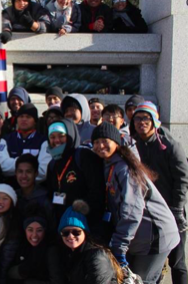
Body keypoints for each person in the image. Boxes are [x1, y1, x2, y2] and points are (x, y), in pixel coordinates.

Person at [92, 122, 180, 284]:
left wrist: (119, 244)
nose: (100, 145)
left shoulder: (123, 169)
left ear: (116, 142)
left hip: (155, 235)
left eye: (105, 140)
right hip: (138, 238)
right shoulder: (110, 164)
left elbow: (132, 210)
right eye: (96, 142)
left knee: (141, 281)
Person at [130, 102, 188, 284]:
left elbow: (183, 179)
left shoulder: (170, 146)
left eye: (146, 118)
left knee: (177, 261)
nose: (141, 122)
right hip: (146, 213)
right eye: (137, 118)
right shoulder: (132, 144)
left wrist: (178, 209)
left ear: (155, 121)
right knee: (151, 261)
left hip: (171, 210)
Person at [45, 119, 105, 230]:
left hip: (86, 224)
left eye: (61, 135)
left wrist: (82, 209)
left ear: (70, 135)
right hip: (62, 225)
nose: (56, 140)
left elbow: (97, 190)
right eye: (52, 137)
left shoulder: (84, 156)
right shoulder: (52, 164)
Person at [57, 201, 121, 284]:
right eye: (65, 233)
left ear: (85, 233)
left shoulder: (96, 255)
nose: (70, 236)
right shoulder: (70, 253)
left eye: (76, 232)